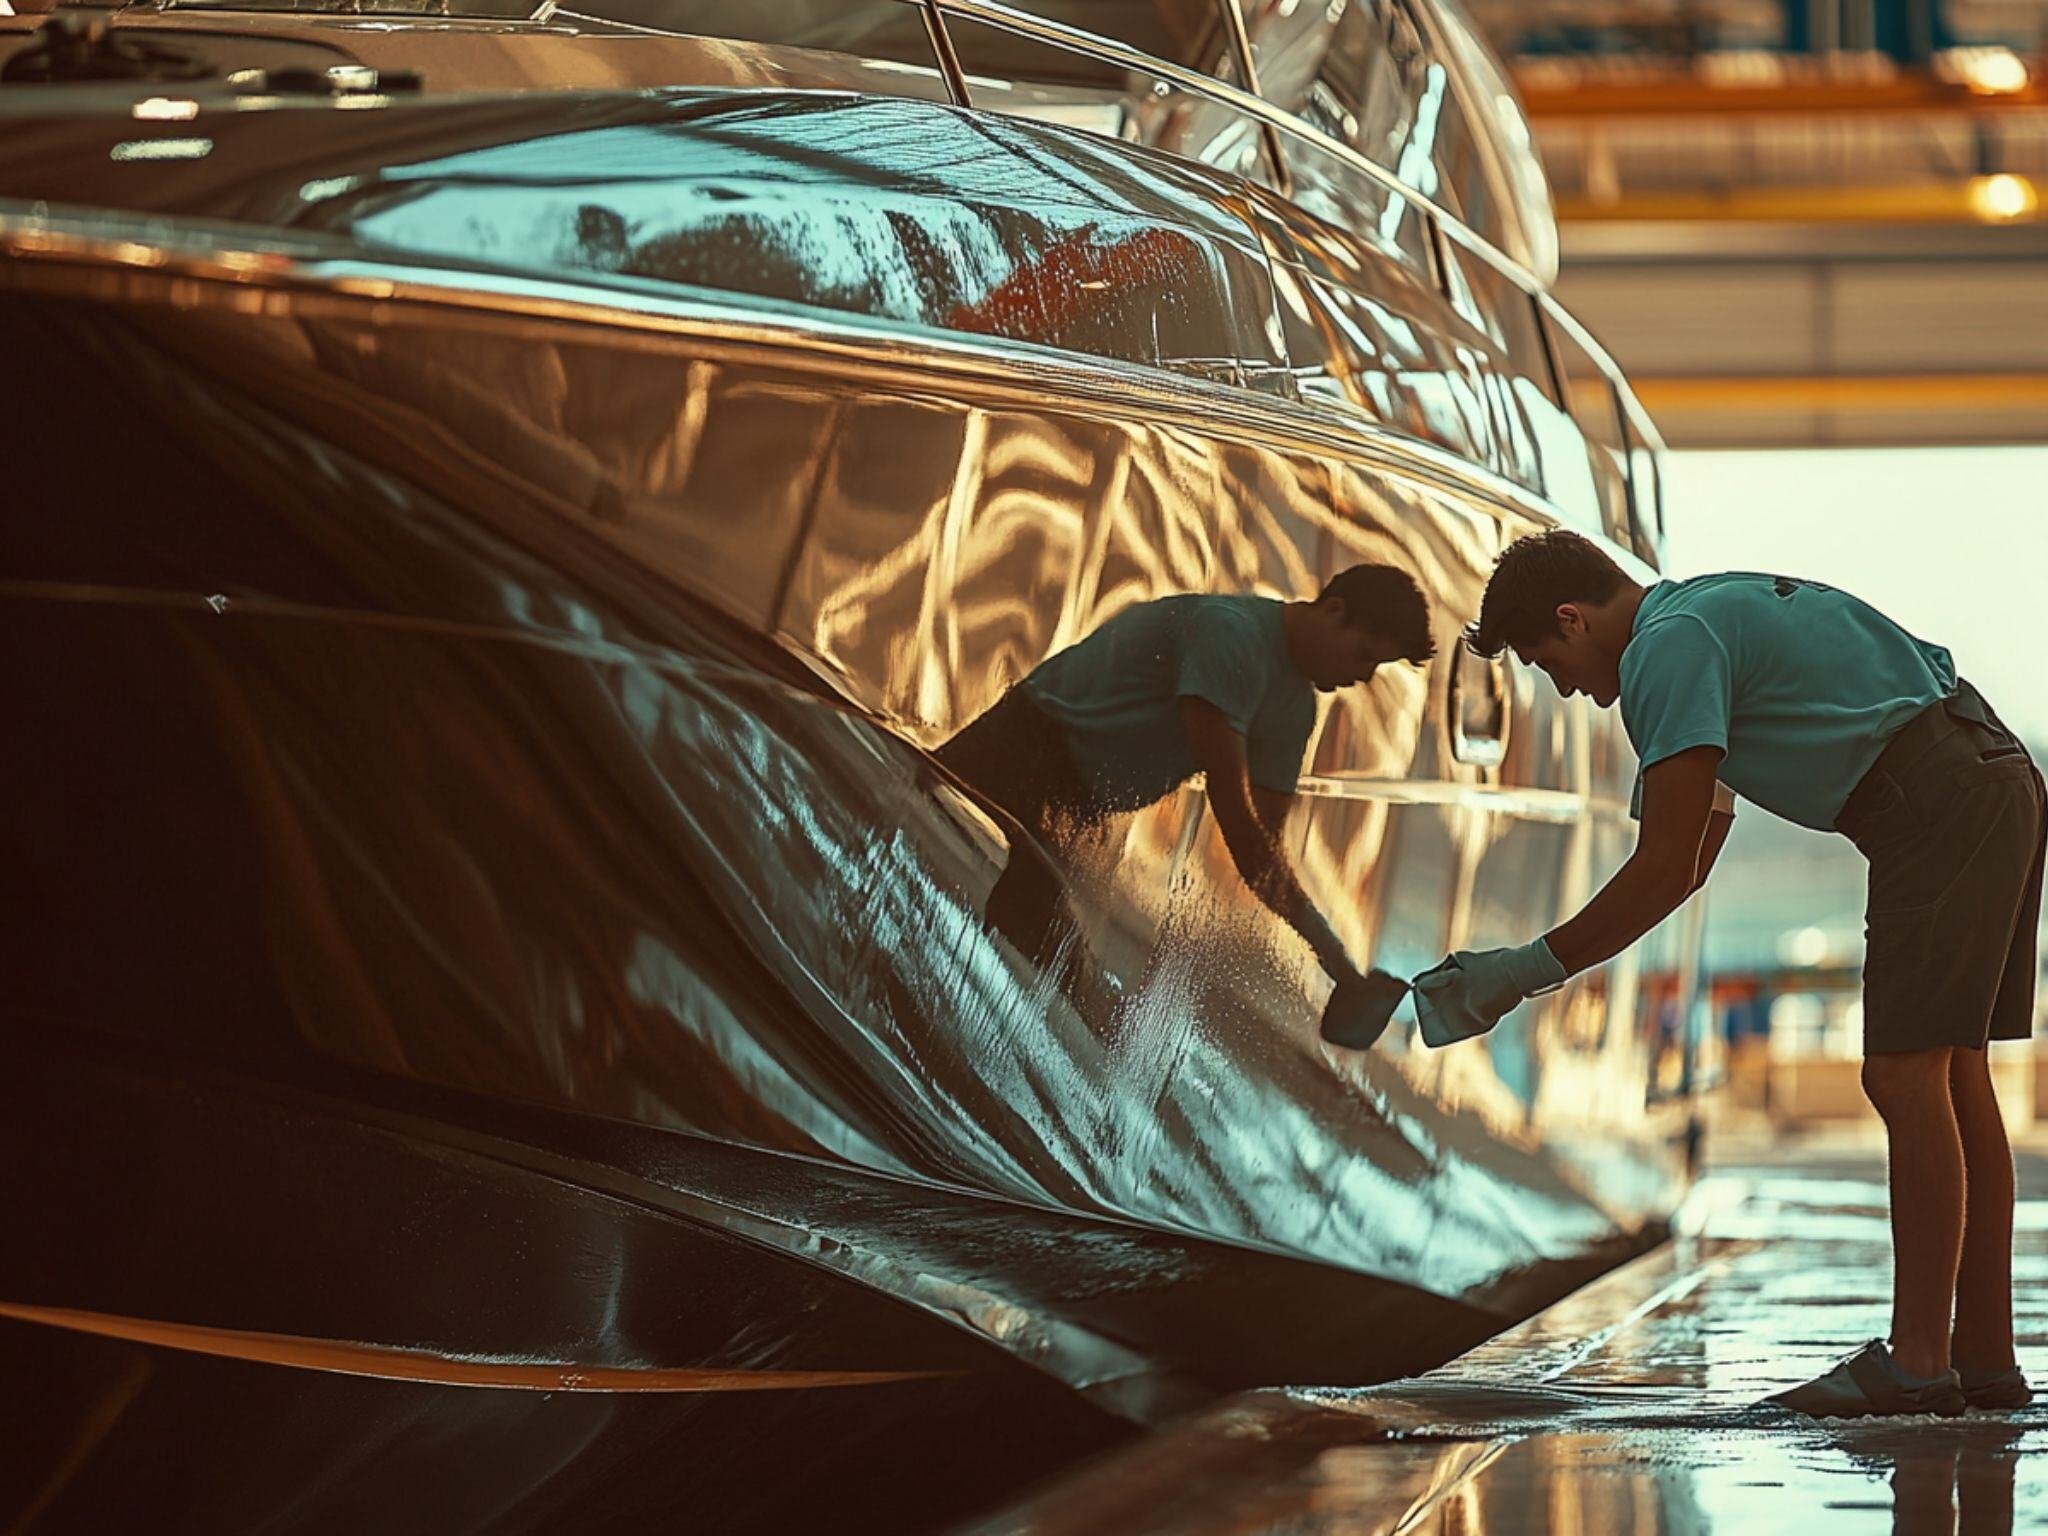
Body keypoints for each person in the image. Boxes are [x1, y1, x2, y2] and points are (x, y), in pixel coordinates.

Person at [1413, 529, 2044, 1418]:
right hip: (1993, 773)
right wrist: (1530, 970)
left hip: (1933, 801)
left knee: (1905, 1075)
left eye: (1547, 659)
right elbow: (1695, 856)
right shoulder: (1698, 616)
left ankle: (1915, 1367)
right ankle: (1982, 1362)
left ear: (1573, 617)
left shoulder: (1666, 649)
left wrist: (1518, 971)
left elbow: (1666, 865)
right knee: (1953, 1072)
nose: (1565, 688)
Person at [938, 565, 1434, 1042]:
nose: (1365, 676)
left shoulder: (1294, 708)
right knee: (954, 885)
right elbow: (1241, 828)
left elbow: (1264, 854)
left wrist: (1344, 975)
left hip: (1079, 805)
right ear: (1333, 610)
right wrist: (1342, 968)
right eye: (1365, 654)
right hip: (1020, 754)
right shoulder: (1231, 635)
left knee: (1055, 972)